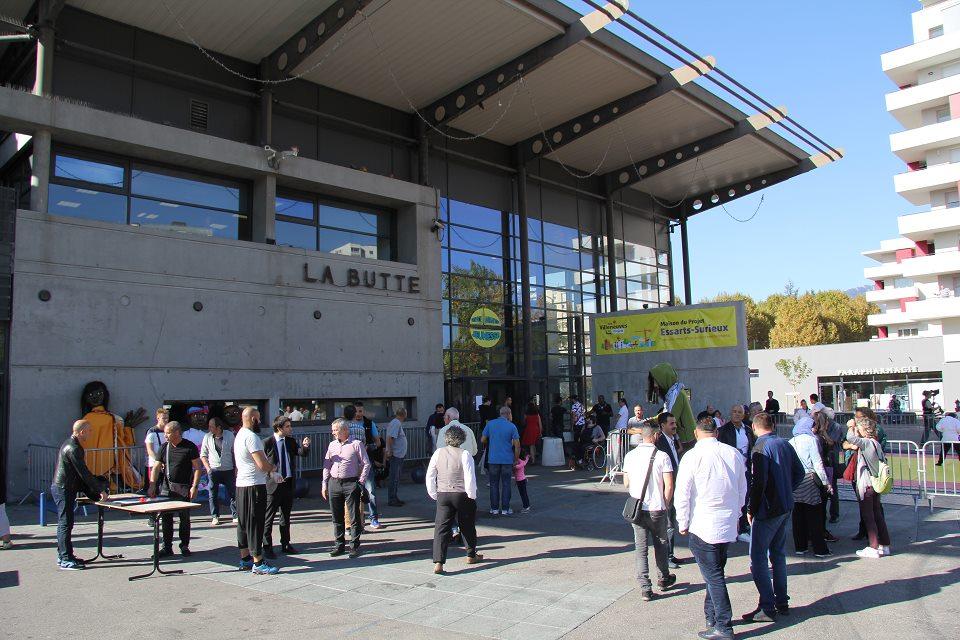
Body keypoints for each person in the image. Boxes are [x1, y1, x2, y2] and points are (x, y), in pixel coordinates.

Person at [675, 414, 747, 640]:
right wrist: (737, 513)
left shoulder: (692, 456)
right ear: (716, 432)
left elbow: (683, 493)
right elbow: (742, 488)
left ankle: (723, 626)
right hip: (725, 523)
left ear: (696, 433)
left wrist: (682, 521)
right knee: (714, 572)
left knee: (714, 576)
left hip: (704, 524)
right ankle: (712, 616)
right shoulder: (733, 453)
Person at [743, 412, 804, 623]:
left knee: (758, 558)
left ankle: (767, 606)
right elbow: (800, 472)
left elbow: (758, 482)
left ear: (754, 427)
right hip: (785, 506)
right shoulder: (784, 444)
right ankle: (781, 600)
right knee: (777, 554)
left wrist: (751, 507)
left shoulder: (760, 448)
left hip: (768, 510)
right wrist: (787, 489)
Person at [623, 420, 676, 601]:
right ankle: (663, 577)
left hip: (637, 508)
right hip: (657, 508)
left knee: (641, 548)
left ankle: (645, 587)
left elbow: (626, 483)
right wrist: (666, 503)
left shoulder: (630, 456)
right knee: (661, 544)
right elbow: (669, 485)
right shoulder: (662, 456)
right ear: (654, 436)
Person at [51, 420, 109, 570]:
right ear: (81, 432)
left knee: (66, 523)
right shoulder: (73, 448)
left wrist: (93, 490)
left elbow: (81, 475)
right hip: (63, 488)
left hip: (65, 487)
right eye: (89, 431)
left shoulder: (71, 444)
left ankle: (65, 554)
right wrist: (99, 490)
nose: (91, 433)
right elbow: (84, 473)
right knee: (65, 523)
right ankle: (64, 558)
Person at [426, 425, 482, 574]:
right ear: (462, 439)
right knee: (467, 525)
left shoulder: (438, 453)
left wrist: (433, 492)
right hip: (461, 493)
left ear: (447, 439)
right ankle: (471, 554)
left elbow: (430, 474)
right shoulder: (465, 454)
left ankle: (439, 562)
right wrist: (472, 495)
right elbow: (470, 477)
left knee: (441, 528)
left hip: (443, 493)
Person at [233, 407, 280, 575]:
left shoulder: (239, 435)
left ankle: (245, 559)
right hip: (254, 486)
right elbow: (262, 464)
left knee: (243, 523)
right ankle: (258, 562)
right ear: (253, 419)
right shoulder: (252, 437)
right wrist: (273, 468)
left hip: (241, 485)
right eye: (259, 419)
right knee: (255, 523)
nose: (260, 422)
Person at [148, 421, 202, 557]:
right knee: (166, 518)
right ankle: (167, 547)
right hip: (167, 488)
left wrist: (194, 486)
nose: (165, 435)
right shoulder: (164, 447)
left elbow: (197, 468)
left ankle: (184, 545)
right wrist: (152, 484)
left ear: (177, 432)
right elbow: (156, 467)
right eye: (165, 433)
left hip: (184, 488)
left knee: (184, 518)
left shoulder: (189, 447)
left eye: (168, 433)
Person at [322, 418, 371, 559]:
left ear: (345, 430)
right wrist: (324, 484)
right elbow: (326, 465)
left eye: (335, 430)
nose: (333, 433)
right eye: (332, 430)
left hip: (351, 483)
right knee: (336, 516)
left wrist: (360, 482)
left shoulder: (356, 444)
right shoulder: (332, 445)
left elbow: (366, 463)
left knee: (354, 515)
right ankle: (339, 544)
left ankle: (354, 546)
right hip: (334, 483)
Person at [262, 415, 310, 557]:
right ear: (279, 428)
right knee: (268, 517)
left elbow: (300, 453)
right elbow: (261, 464)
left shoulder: (290, 441)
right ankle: (267, 546)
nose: (291, 429)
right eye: (288, 426)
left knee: (286, 516)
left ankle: (286, 543)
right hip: (273, 485)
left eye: (290, 426)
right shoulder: (267, 443)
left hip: (288, 483)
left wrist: (306, 447)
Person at [844, 417, 891, 559]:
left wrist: (851, 427)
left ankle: (873, 546)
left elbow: (850, 438)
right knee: (877, 514)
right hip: (876, 483)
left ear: (864, 430)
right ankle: (885, 544)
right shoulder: (876, 443)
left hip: (866, 483)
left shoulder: (865, 443)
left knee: (868, 516)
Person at [788, 417, 831, 557]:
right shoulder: (811, 440)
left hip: (795, 481)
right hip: (809, 479)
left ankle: (800, 546)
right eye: (813, 426)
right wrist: (826, 482)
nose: (814, 429)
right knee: (814, 515)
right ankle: (820, 549)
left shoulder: (791, 441)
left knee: (797, 515)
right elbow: (817, 463)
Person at [718, 405, 756, 541]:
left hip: (745, 468)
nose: (737, 414)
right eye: (734, 412)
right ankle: (732, 528)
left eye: (739, 412)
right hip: (730, 470)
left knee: (744, 497)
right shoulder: (723, 430)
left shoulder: (748, 430)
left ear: (744, 414)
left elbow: (753, 447)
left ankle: (743, 527)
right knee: (730, 498)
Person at [344, 404, 382, 530]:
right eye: (357, 411)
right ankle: (357, 522)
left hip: (364, 460)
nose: (359, 414)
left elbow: (377, 442)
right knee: (354, 493)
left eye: (361, 411)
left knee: (369, 490)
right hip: (353, 463)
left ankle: (372, 518)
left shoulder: (369, 424)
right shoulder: (349, 427)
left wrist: (369, 447)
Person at [653, 412, 684, 568]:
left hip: (674, 487)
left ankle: (670, 554)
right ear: (662, 425)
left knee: (672, 523)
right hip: (666, 489)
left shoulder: (671, 440)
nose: (674, 426)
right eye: (671, 423)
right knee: (668, 524)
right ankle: (666, 557)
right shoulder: (659, 443)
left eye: (675, 423)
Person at [481, 405, 520, 515]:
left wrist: (492, 440)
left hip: (493, 459)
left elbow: (482, 439)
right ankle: (505, 509)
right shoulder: (512, 426)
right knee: (506, 484)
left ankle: (494, 509)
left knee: (494, 484)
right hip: (507, 459)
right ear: (508, 414)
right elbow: (517, 446)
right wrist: (516, 459)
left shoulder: (490, 424)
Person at [199, 416, 236, 526]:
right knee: (213, 493)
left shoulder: (229, 435)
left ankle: (235, 514)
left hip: (228, 468)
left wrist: (236, 468)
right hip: (214, 469)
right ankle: (215, 516)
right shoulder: (207, 437)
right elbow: (203, 455)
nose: (209, 428)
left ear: (219, 427)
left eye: (212, 426)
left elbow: (235, 452)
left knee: (232, 492)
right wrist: (208, 468)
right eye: (209, 426)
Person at [385, 407, 408, 506]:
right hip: (396, 455)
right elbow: (390, 438)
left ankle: (394, 497)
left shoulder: (396, 423)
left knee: (396, 477)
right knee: (394, 477)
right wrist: (390, 451)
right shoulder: (396, 423)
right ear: (404, 414)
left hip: (398, 454)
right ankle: (392, 499)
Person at [144, 407, 169, 488]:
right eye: (163, 418)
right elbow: (150, 450)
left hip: (166, 464)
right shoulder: (152, 431)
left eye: (167, 418)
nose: (165, 420)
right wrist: (159, 461)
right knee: (153, 487)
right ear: (158, 418)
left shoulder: (168, 431)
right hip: (153, 464)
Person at [514, 446, 532, 513]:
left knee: (523, 494)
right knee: (523, 494)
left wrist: (514, 466)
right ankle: (527, 506)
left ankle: (526, 506)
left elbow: (521, 465)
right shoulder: (521, 460)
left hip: (521, 480)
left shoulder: (519, 461)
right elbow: (525, 462)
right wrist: (527, 457)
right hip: (521, 480)